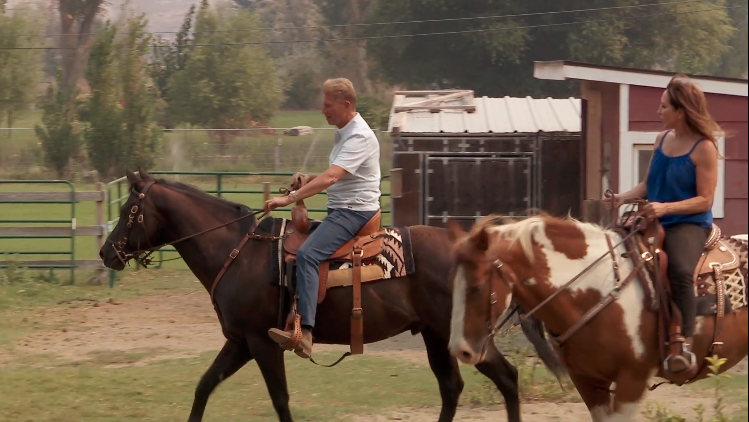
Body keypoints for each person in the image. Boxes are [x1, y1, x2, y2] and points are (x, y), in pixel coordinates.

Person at [605, 74, 720, 374]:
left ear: (680, 111)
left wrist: (666, 207)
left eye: (664, 106)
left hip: (688, 224)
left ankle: (683, 343)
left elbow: (705, 200)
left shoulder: (704, 148)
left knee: (680, 270)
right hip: (651, 219)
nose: (659, 111)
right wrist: (620, 198)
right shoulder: (661, 140)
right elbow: (647, 185)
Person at [264, 78, 381, 359]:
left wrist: (287, 199)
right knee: (291, 240)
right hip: (344, 208)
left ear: (346, 104)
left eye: (327, 105)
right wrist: (307, 180)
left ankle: (305, 333)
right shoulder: (345, 133)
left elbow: (331, 177)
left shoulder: (359, 137)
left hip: (354, 212)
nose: (322, 110)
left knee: (307, 255)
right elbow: (338, 176)